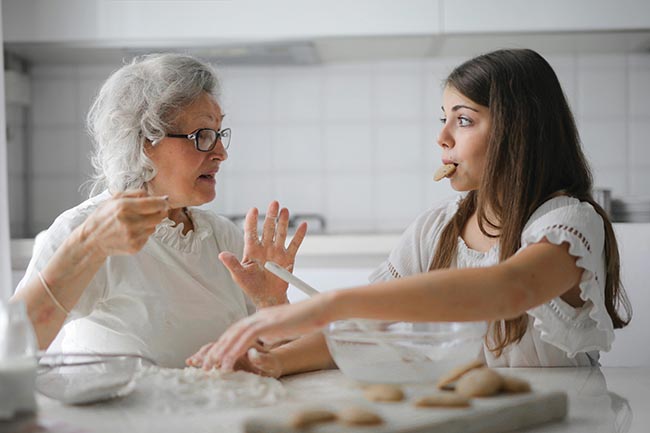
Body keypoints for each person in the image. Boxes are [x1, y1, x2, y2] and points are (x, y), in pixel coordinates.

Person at [189, 48, 632, 374]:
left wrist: (331, 302)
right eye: (443, 118)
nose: (442, 137)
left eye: (463, 119)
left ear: (519, 131)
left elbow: (510, 288)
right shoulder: (436, 228)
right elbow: (365, 327)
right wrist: (273, 362)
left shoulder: (569, 223)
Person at [11, 53, 306, 368]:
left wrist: (271, 304)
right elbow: (12, 347)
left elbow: (269, 360)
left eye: (219, 134)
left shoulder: (221, 237)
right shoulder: (85, 229)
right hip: (122, 417)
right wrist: (88, 247)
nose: (221, 153)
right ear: (143, 142)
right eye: (202, 136)